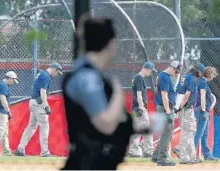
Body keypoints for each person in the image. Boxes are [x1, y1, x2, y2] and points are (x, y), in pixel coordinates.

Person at [61, 17, 143, 170]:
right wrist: (118, 95)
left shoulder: (87, 74)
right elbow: (104, 123)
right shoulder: (87, 77)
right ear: (111, 44)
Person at [14, 63, 62, 157]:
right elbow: (43, 92)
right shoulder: (46, 76)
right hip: (39, 103)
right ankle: (44, 152)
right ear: (54, 69)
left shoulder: (42, 74)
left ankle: (20, 149)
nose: (56, 74)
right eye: (57, 72)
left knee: (31, 127)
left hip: (33, 102)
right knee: (44, 126)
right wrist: (46, 106)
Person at [173, 63, 205, 164]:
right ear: (198, 72)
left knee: (189, 132)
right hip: (186, 109)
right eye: (201, 72)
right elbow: (187, 94)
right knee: (188, 131)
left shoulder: (184, 77)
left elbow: (178, 91)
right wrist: (181, 106)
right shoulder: (192, 79)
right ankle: (180, 151)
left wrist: (178, 107)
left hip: (181, 108)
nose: (201, 75)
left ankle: (191, 157)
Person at [151, 61, 182, 166]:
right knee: (167, 134)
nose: (177, 74)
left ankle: (156, 155)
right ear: (172, 68)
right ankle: (162, 158)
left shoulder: (164, 76)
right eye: (177, 71)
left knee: (166, 133)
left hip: (165, 108)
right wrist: (168, 112)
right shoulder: (164, 77)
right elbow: (164, 95)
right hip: (165, 109)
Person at [127, 61, 157, 158]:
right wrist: (142, 107)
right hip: (140, 108)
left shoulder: (137, 77)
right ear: (147, 69)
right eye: (151, 71)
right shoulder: (139, 78)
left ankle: (133, 151)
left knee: (137, 130)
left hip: (136, 108)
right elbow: (139, 95)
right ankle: (148, 151)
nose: (151, 73)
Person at [194, 67, 218, 161]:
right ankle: (192, 154)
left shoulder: (201, 82)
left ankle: (207, 155)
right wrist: (204, 111)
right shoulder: (203, 83)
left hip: (203, 110)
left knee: (205, 134)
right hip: (202, 111)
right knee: (199, 134)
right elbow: (203, 97)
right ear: (210, 74)